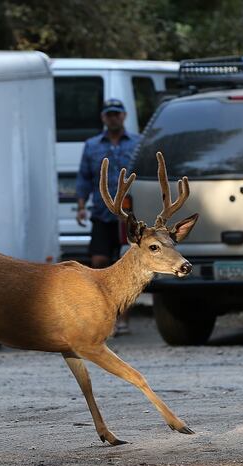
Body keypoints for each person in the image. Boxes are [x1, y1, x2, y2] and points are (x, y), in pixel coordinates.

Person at [76, 98, 141, 335]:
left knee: (127, 266)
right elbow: (84, 176)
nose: (113, 118)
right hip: (102, 214)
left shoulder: (137, 143)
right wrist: (81, 205)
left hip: (129, 216)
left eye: (117, 114)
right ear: (104, 118)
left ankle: (123, 319)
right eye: (108, 115)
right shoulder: (92, 145)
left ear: (123, 116)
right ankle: (102, 315)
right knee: (99, 262)